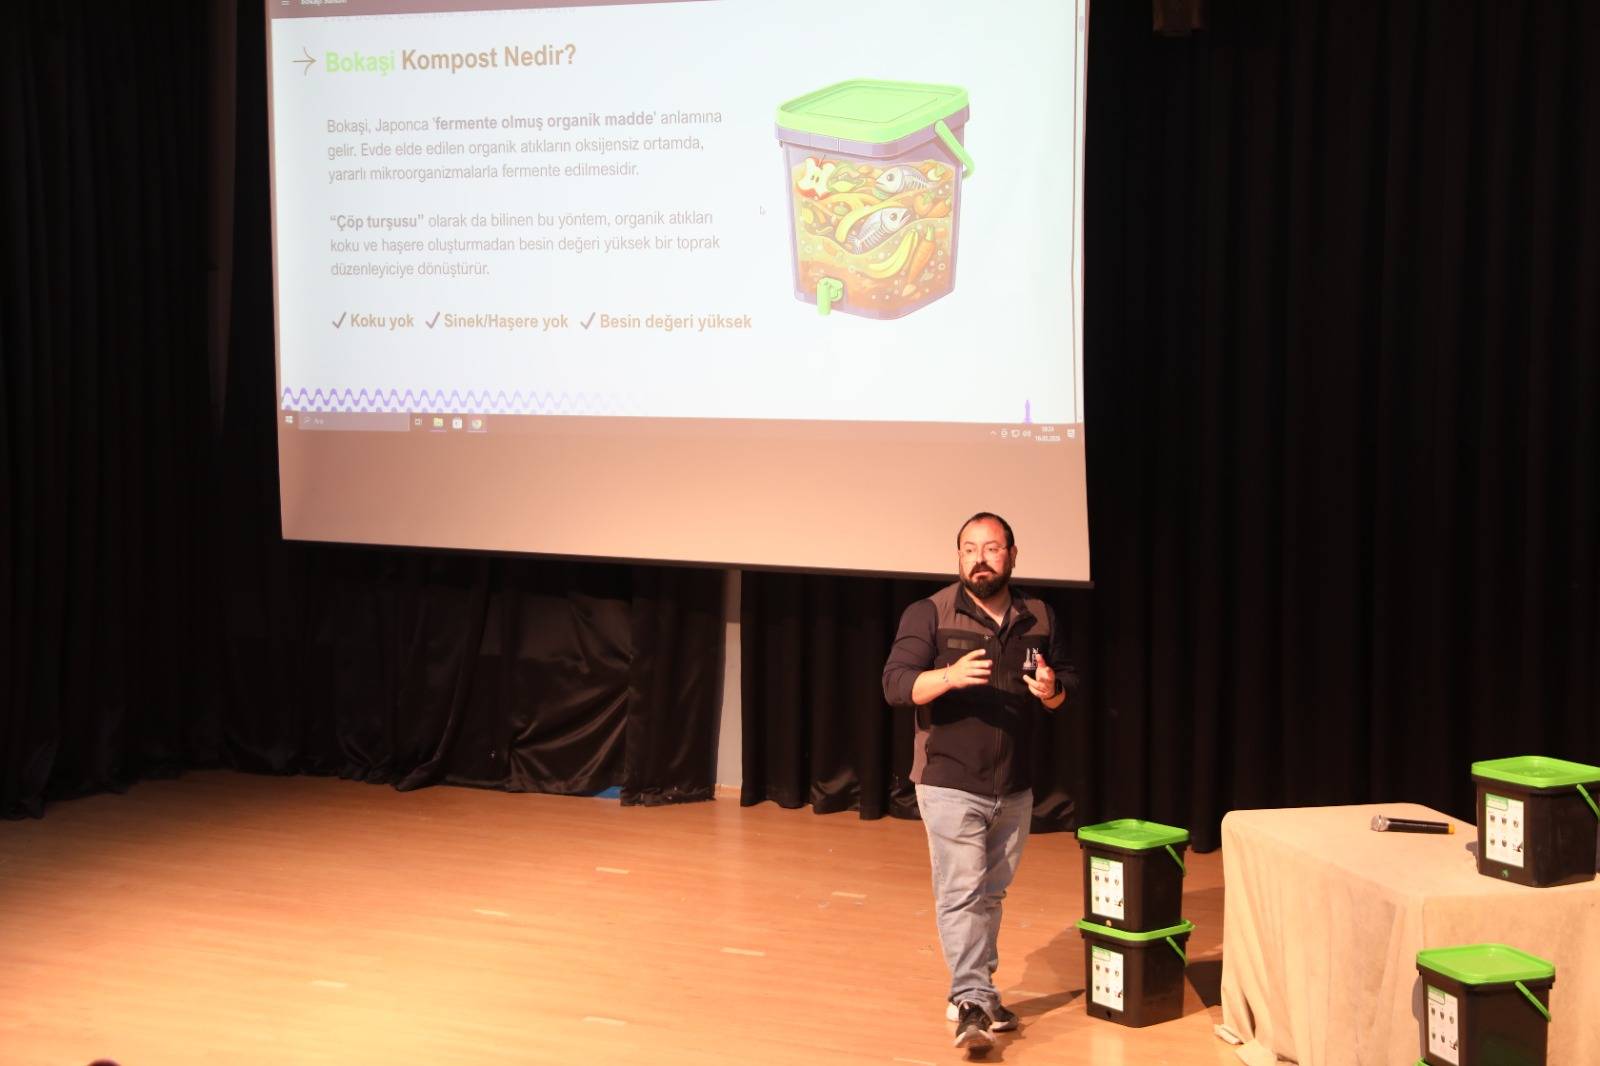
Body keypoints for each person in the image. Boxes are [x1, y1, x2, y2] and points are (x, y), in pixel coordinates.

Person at [881, 512, 1075, 1052]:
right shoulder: (929, 612)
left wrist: (1052, 690)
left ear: (1012, 555)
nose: (979, 559)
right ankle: (970, 1000)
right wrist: (948, 676)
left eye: (991, 548)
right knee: (962, 891)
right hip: (948, 779)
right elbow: (895, 685)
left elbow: (1067, 684)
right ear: (959, 557)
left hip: (1014, 786)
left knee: (990, 894)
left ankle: (980, 994)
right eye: (969, 549)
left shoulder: (1039, 616)